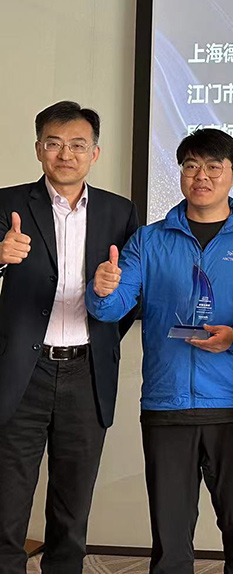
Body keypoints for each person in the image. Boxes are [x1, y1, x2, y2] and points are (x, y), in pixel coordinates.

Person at [86, 128, 233, 574]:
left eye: (213, 167)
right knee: (170, 545)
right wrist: (102, 289)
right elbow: (112, 308)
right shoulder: (149, 240)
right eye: (191, 166)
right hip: (167, 404)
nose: (201, 176)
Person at [0, 101, 139, 574]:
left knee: (72, 507)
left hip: (87, 370)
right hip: (22, 372)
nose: (66, 154)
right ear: (38, 148)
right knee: (6, 503)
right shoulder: (7, 205)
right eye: (54, 143)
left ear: (95, 153)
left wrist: (106, 313)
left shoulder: (119, 212)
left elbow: (132, 296)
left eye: (78, 145)